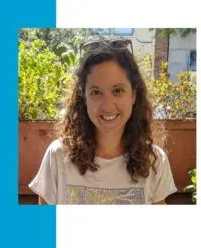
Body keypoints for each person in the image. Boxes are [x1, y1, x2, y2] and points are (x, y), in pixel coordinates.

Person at [29, 40, 177, 204]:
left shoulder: (154, 161)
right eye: (96, 92)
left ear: (133, 95)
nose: (107, 105)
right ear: (84, 98)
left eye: (118, 90)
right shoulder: (57, 156)